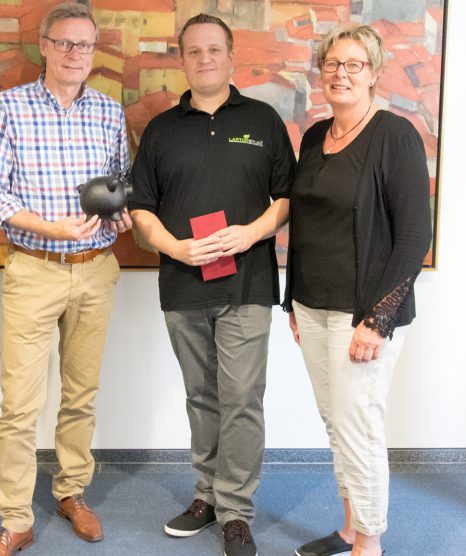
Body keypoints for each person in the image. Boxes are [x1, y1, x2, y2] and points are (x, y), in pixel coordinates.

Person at [128, 13, 296, 556]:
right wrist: (175, 247)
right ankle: (206, 494)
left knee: (242, 398)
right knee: (201, 397)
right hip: (182, 286)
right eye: (194, 51)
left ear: (230, 57)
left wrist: (250, 234)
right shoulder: (160, 130)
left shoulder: (264, 120)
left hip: (247, 286)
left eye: (214, 50)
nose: (204, 59)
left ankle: (236, 511)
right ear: (183, 60)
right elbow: (140, 210)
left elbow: (288, 199)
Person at [0, 3, 131, 555]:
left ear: (94, 51)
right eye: (64, 43)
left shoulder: (110, 112)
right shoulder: (9, 108)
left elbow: (119, 184)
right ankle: (16, 518)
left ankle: (71, 491)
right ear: (43, 45)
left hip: (96, 270)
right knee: (19, 404)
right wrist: (48, 228)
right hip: (34, 269)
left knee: (81, 395)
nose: (74, 54)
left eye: (84, 45)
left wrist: (121, 211)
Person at [283, 25, 432, 556]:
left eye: (354, 64)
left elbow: (415, 236)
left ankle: (370, 543)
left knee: (360, 427)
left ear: (374, 73)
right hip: (312, 305)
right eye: (333, 64)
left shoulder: (395, 135)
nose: (341, 73)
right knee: (336, 424)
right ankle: (349, 528)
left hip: (364, 314)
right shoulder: (314, 136)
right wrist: (292, 301)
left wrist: (379, 319)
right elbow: (306, 224)